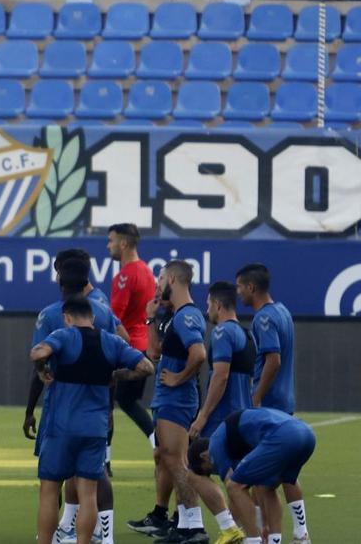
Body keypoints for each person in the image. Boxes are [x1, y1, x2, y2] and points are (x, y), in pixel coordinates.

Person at [29, 296, 154, 544]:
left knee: (49, 490)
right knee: (89, 495)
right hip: (95, 428)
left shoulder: (64, 336)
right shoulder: (112, 341)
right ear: (93, 318)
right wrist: (117, 373)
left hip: (61, 427)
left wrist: (43, 369)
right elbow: (146, 367)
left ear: (67, 318)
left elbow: (37, 352)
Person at [25, 258, 127, 543]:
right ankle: (103, 535)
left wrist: (30, 409)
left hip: (60, 412)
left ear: (59, 281)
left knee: (50, 484)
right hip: (97, 409)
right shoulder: (103, 313)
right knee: (92, 481)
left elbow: (38, 359)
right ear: (87, 282)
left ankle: (48, 536)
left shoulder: (50, 314)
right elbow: (124, 344)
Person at [237, 264, 310, 543]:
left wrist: (255, 397)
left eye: (240, 286)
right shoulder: (283, 311)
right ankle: (301, 532)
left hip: (269, 405)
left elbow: (273, 360)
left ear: (251, 288)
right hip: (285, 402)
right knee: (288, 472)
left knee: (259, 475)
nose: (238, 292)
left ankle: (264, 532)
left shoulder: (263, 318)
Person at [143, 261, 208, 544]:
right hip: (166, 397)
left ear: (172, 278)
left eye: (159, 279)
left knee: (175, 459)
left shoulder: (188, 316)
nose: (157, 285)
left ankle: (195, 526)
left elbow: (200, 354)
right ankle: (184, 525)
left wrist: (179, 378)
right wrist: (150, 319)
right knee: (166, 458)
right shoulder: (174, 315)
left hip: (177, 398)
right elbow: (153, 352)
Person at [187, 281, 254, 544]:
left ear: (217, 304)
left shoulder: (222, 333)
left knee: (194, 470)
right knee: (239, 482)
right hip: (244, 417)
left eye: (208, 305)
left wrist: (202, 416)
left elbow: (221, 376)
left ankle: (230, 527)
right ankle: (251, 536)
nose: (207, 311)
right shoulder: (248, 336)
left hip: (222, 421)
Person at [187, 408, 316, 544]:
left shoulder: (214, 445)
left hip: (283, 436)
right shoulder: (237, 442)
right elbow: (260, 486)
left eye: (208, 470)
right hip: (307, 433)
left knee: (234, 487)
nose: (214, 471)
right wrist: (264, 524)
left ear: (204, 456)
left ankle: (253, 540)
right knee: (268, 486)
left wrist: (232, 526)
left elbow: (234, 490)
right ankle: (298, 536)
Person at [107, 224, 157, 439]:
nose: (108, 246)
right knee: (127, 400)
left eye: (111, 241)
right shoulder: (147, 271)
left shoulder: (124, 277)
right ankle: (158, 443)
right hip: (144, 347)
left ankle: (103, 460)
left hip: (125, 348)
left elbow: (113, 320)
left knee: (106, 402)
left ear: (123, 243)